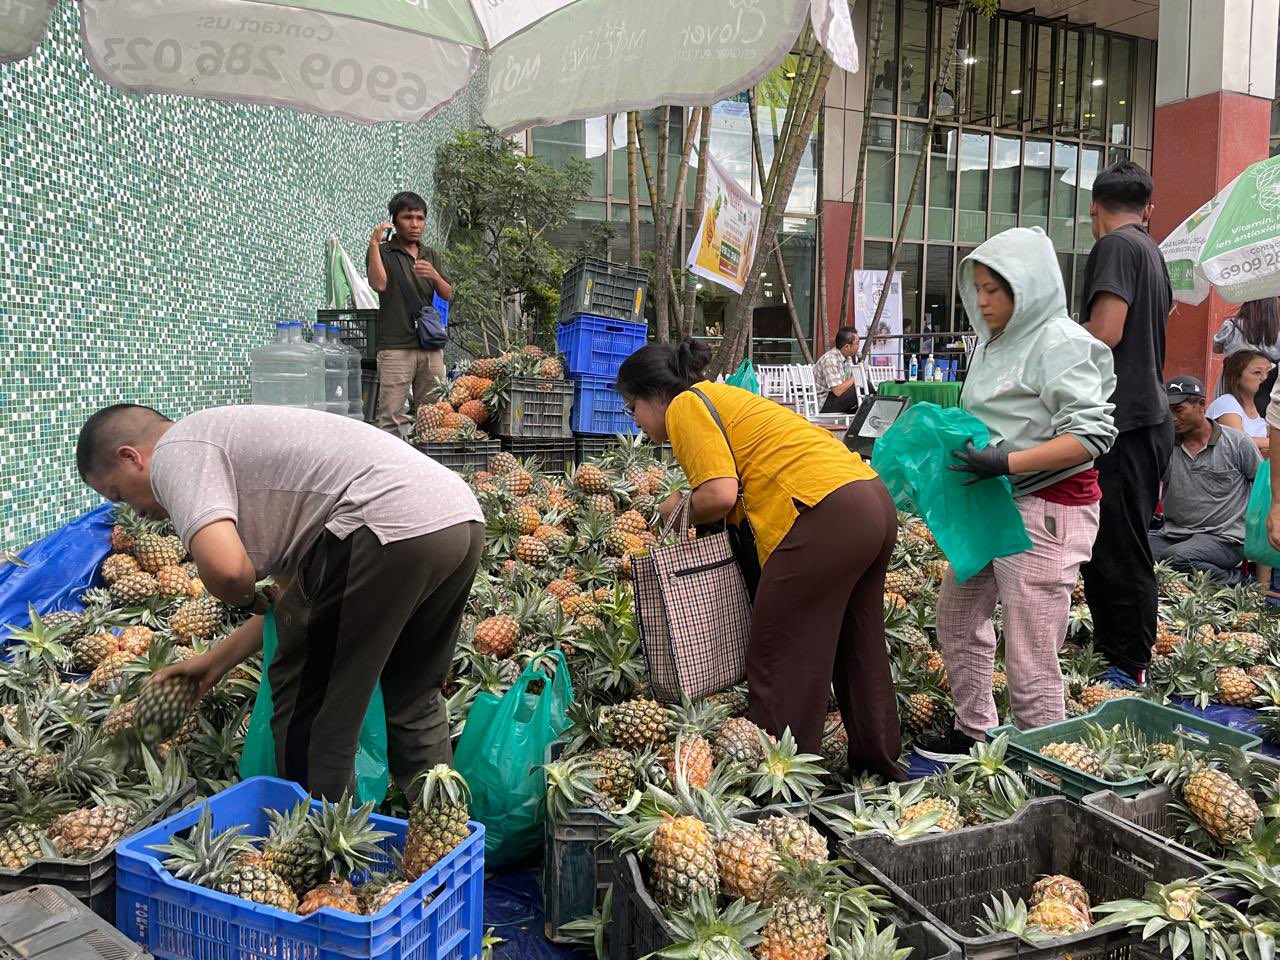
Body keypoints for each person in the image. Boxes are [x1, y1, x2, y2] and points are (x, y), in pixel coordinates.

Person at [75, 404, 483, 800]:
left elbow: (229, 572)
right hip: (456, 520)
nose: (137, 513)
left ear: (131, 457)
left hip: (380, 522)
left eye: (118, 494)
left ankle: (319, 851)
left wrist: (244, 596)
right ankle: (447, 838)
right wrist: (212, 664)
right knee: (413, 697)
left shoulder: (174, 451)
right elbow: (291, 606)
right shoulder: (238, 452)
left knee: (313, 710)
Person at [615, 340, 904, 782]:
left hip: (823, 513)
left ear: (654, 395)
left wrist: (676, 504)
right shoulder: (725, 396)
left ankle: (780, 788)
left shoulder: (685, 407)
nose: (633, 418)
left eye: (631, 405)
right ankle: (879, 768)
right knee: (858, 647)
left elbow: (719, 493)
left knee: (777, 656)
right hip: (869, 500)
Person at [912, 228, 1117, 760]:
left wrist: (1007, 460)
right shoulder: (993, 342)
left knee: (1030, 653)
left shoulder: (1061, 342)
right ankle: (974, 730)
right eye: (977, 288)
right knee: (956, 617)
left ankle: (1046, 769)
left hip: (1046, 507)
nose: (981, 301)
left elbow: (1092, 436)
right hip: (992, 501)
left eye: (995, 290)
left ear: (1029, 287)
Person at [1077, 161, 1174, 681]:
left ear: (1094, 204)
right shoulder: (1151, 251)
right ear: (1149, 210)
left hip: (1127, 420)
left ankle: (1127, 661)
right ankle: (1121, 652)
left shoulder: (1115, 247)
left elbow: (1106, 332)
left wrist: (1054, 343)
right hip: (1145, 415)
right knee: (1115, 541)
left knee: (1116, 545)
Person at [1152, 376, 1260, 584]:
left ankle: (1236, 583)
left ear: (1201, 405)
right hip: (1174, 536)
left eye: (1178, 410)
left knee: (1177, 558)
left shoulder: (1237, 442)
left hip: (1225, 539)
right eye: (1168, 411)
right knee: (1131, 556)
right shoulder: (1164, 445)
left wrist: (1256, 531)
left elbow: (1263, 486)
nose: (1172, 417)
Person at [367, 191, 453, 437]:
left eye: (420, 218)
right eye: (407, 217)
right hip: (396, 347)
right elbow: (378, 284)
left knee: (433, 415)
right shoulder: (384, 252)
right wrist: (374, 244)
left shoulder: (430, 254)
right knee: (392, 417)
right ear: (394, 221)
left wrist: (435, 275)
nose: (415, 224)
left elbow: (447, 293)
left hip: (429, 346)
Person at [1212, 298, 1280, 415]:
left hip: (1232, 384)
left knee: (1229, 418)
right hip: (1264, 389)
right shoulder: (1276, 335)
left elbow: (1216, 348)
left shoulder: (1231, 326)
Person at [1207, 350, 1272, 454]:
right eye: (1257, 372)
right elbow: (1240, 441)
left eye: (1269, 372)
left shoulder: (1264, 407)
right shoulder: (1227, 402)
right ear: (1236, 377)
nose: (1264, 378)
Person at [813, 327, 863, 413]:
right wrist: (856, 374)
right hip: (823, 403)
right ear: (847, 346)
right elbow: (838, 391)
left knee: (864, 389)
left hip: (834, 398)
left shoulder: (847, 359)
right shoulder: (830, 360)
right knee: (864, 388)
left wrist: (858, 372)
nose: (859, 347)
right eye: (857, 343)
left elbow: (848, 383)